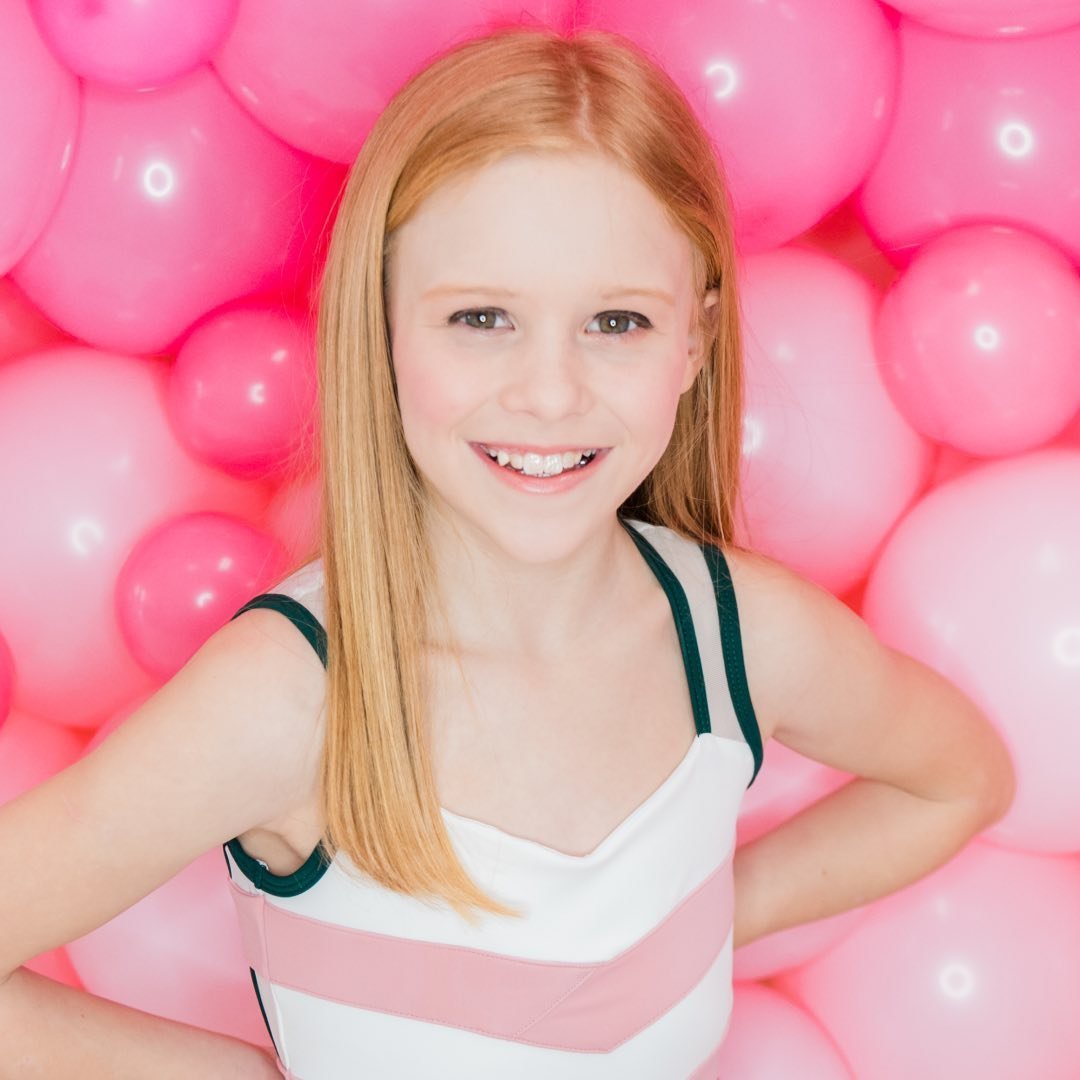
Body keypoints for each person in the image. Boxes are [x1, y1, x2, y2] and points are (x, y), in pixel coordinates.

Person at [0, 22, 1014, 1080]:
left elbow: (959, 778)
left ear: (695, 341)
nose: (549, 393)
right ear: (381, 328)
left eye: (615, 323)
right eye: (482, 318)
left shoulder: (738, 636)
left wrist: (696, 929)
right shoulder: (294, 699)